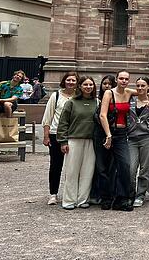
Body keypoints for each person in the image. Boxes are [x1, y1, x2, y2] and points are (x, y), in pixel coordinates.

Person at [56, 76, 98, 209]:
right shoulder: (71, 102)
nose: (88, 87)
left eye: (90, 84)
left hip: (91, 140)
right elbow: (63, 123)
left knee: (88, 171)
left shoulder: (97, 102)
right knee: (72, 170)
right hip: (74, 139)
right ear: (80, 86)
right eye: (85, 84)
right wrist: (63, 141)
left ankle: (82, 199)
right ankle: (69, 200)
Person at [98, 70, 136, 211]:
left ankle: (122, 199)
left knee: (125, 166)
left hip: (122, 134)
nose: (124, 81)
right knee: (105, 167)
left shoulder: (128, 92)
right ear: (117, 79)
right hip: (108, 132)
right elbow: (103, 115)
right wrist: (108, 135)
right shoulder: (109, 93)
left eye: (126, 79)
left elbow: (146, 92)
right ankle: (106, 198)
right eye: (121, 78)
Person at [42, 71, 78, 205]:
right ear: (64, 81)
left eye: (73, 80)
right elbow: (48, 117)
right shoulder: (56, 96)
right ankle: (53, 193)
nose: (71, 82)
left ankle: (71, 193)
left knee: (72, 166)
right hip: (55, 134)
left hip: (74, 135)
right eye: (68, 80)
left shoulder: (79, 97)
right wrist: (46, 136)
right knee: (56, 165)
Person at [127, 77, 149, 208]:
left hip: (147, 138)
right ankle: (130, 194)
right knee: (131, 168)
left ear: (148, 86)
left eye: (143, 86)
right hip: (132, 138)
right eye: (138, 86)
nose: (140, 88)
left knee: (144, 169)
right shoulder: (130, 101)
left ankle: (140, 195)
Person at [91, 75, 115, 205]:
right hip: (99, 135)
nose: (107, 86)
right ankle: (99, 193)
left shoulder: (118, 99)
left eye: (110, 84)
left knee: (111, 166)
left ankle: (109, 194)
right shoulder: (97, 101)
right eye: (104, 83)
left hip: (114, 134)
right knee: (100, 166)